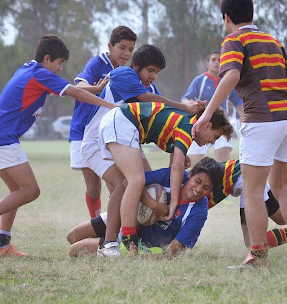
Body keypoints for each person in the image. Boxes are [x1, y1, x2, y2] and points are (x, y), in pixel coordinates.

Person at [0, 34, 116, 256]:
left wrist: (95, 89)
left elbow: (70, 88)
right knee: (31, 190)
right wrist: (110, 105)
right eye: (59, 63)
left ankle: (2, 245)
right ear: (47, 59)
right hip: (2, 139)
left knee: (16, 191)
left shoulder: (30, 70)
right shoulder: (40, 74)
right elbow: (73, 92)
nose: (60, 69)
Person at [193, 0, 287, 266]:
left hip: (261, 120)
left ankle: (258, 256)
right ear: (251, 13)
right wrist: (286, 111)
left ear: (226, 18)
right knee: (282, 186)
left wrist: (207, 114)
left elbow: (232, 75)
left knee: (254, 191)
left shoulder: (234, 40)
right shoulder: (273, 41)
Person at [82, 44, 206, 257]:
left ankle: (130, 237)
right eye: (150, 70)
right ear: (136, 66)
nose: (154, 76)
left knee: (147, 183)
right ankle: (111, 243)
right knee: (128, 184)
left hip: (126, 141)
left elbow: (162, 121)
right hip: (96, 142)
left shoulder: (151, 90)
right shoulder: (123, 73)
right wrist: (186, 107)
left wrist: (179, 151)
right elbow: (148, 100)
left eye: (157, 72)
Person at [97, 102, 233, 257]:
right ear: (207, 125)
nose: (214, 142)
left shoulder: (186, 124)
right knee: (136, 181)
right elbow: (176, 167)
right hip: (122, 122)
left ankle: (113, 240)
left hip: (119, 122)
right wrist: (170, 204)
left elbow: (175, 164)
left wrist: (180, 156)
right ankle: (128, 239)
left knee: (131, 183)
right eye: (216, 136)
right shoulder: (188, 127)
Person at [67, 157, 223, 258]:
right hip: (126, 217)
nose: (199, 189)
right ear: (190, 175)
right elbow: (128, 182)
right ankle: (104, 244)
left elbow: (171, 254)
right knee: (72, 237)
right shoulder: (172, 176)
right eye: (198, 181)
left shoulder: (199, 211)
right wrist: (153, 205)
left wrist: (138, 257)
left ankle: (111, 247)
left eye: (206, 187)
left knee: (74, 250)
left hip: (137, 242)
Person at [70, 26, 137, 219]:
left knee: (116, 182)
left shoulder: (125, 72)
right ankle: (96, 221)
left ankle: (111, 225)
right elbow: (79, 85)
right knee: (93, 187)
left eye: (131, 49)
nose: (126, 53)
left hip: (109, 133)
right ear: (110, 46)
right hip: (83, 133)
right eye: (122, 47)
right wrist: (97, 88)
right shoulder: (98, 63)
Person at [182, 51, 243, 167]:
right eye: (213, 60)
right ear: (207, 63)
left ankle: (223, 183)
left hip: (222, 125)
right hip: (200, 125)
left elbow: (237, 101)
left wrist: (243, 116)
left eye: (219, 60)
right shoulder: (199, 80)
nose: (216, 62)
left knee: (223, 161)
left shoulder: (227, 80)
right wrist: (189, 104)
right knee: (192, 164)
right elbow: (185, 98)